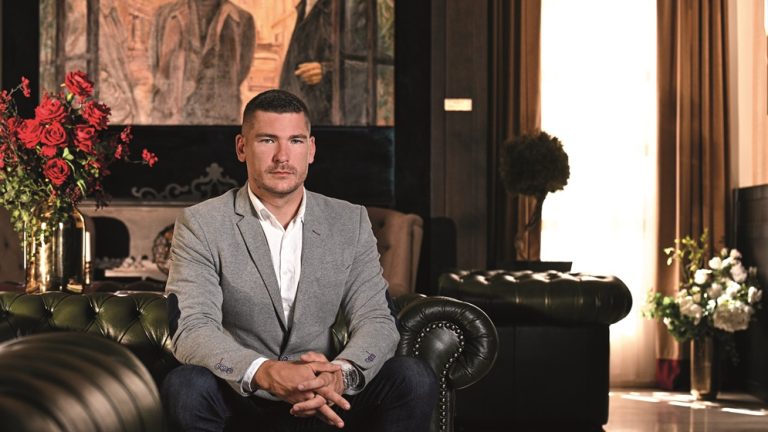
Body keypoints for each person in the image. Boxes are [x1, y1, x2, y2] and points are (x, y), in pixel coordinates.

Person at [162, 89, 437, 431]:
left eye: (295, 140)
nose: (282, 156)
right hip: (245, 395)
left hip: (327, 395)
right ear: (242, 147)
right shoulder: (202, 223)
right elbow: (192, 326)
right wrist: (264, 371)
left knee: (412, 377)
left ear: (311, 149)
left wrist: (340, 374)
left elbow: (376, 318)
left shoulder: (349, 221)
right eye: (267, 140)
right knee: (186, 386)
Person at [149, 0, 255, 124]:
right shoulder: (164, 15)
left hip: (220, 119)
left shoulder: (243, 19)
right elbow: (156, 66)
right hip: (174, 118)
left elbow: (241, 70)